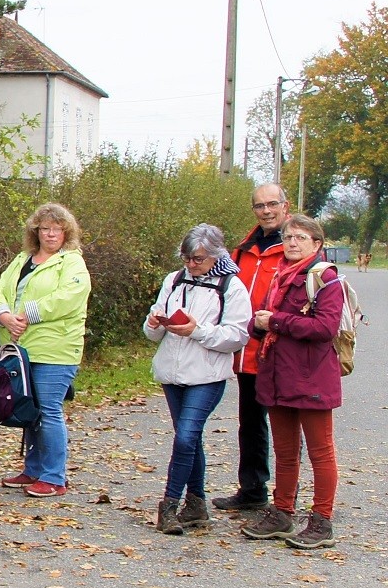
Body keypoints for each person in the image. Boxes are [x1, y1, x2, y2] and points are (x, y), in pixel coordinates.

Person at [240, 214, 342, 549]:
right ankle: (282, 511)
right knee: (284, 452)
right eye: (287, 237)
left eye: (300, 237)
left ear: (317, 243)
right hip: (276, 373)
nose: (292, 242)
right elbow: (268, 324)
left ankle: (321, 520)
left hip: (312, 375)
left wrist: (277, 322)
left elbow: (325, 329)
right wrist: (260, 324)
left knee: (320, 451)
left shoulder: (325, 278)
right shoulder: (280, 276)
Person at [142, 224, 252, 535]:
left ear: (216, 256)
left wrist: (196, 330)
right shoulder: (174, 280)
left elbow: (237, 336)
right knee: (188, 439)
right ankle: (197, 503)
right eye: (187, 257)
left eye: (199, 259)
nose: (191, 264)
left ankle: (169, 505)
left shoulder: (231, 287)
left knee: (187, 436)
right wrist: (155, 323)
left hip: (208, 374)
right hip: (172, 372)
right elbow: (151, 334)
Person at [0, 202, 92, 498]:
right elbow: (0, 289)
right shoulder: (23, 259)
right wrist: (4, 315)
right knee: (30, 411)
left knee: (48, 410)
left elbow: (69, 298)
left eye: (57, 229)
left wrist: (26, 314)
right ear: (36, 231)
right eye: (45, 228)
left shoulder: (71, 262)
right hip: (22, 348)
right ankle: (33, 469)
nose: (50, 234)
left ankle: (54, 476)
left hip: (56, 349)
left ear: (66, 232)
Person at [213, 183, 290, 510]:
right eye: (260, 206)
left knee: (286, 427)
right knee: (251, 423)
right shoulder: (242, 250)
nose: (266, 211)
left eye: (272, 204)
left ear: (286, 206)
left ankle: (286, 500)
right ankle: (253, 490)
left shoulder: (295, 245)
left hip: (282, 351)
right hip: (247, 353)